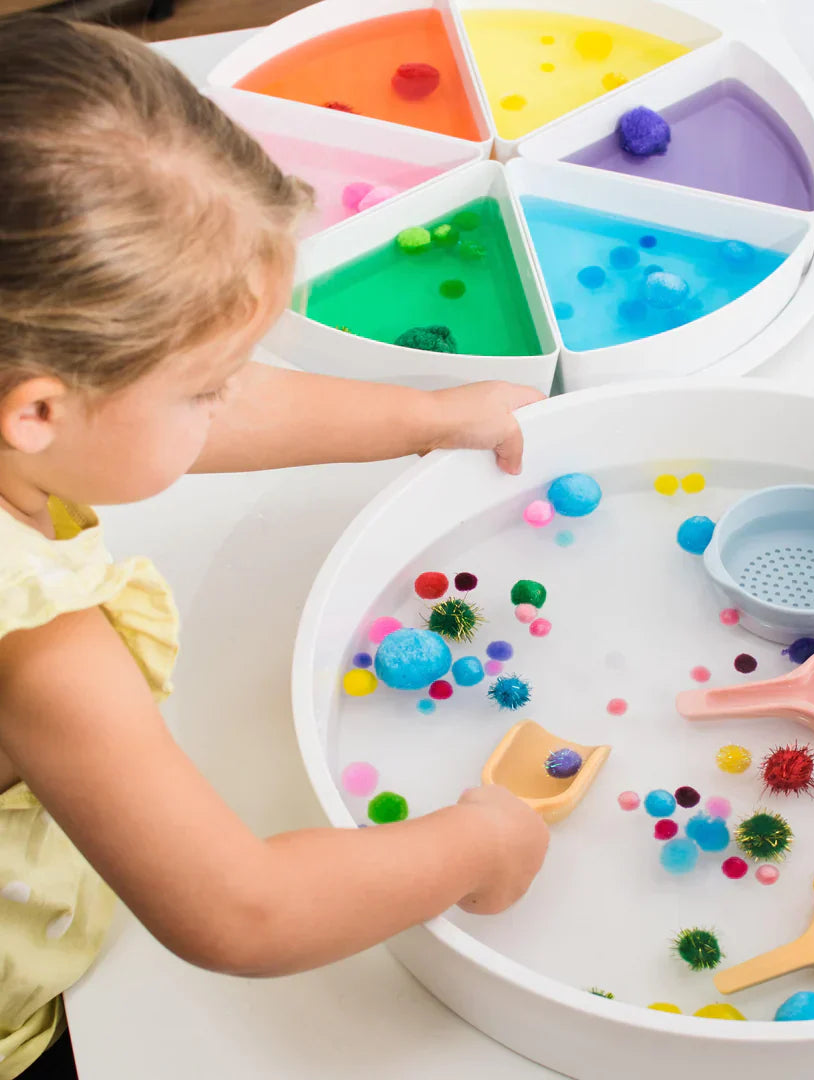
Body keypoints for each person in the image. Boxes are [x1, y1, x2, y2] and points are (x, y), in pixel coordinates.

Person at [0, 15, 550, 1077]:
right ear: (39, 412)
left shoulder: (33, 384)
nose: (223, 404)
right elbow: (241, 911)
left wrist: (422, 417)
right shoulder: (42, 641)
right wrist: (481, 844)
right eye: (204, 387)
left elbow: (187, 414)